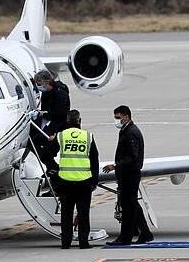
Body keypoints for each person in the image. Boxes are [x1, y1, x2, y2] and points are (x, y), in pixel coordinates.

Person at [103, 105, 153, 245]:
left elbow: (132, 156)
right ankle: (145, 233)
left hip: (129, 174)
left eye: (117, 117)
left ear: (126, 116)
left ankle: (125, 237)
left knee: (128, 207)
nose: (116, 121)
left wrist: (116, 165)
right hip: (128, 174)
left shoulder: (130, 132)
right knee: (132, 205)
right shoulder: (127, 130)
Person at [53, 109, 99, 249]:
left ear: (68, 121)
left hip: (65, 182)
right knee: (83, 214)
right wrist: (94, 181)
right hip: (84, 182)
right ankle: (83, 243)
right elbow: (94, 160)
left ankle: (65, 243)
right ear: (79, 121)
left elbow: (49, 153)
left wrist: (56, 172)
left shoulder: (61, 136)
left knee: (66, 215)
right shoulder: (88, 137)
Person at [29, 70, 70, 174]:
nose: (38, 86)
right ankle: (52, 170)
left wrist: (42, 114)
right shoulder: (47, 93)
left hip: (57, 127)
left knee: (43, 150)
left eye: (39, 84)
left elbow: (60, 114)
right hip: (48, 124)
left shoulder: (60, 94)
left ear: (46, 82)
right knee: (33, 143)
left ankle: (55, 170)